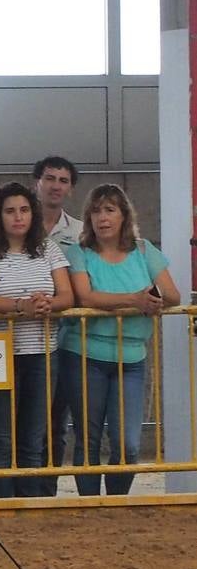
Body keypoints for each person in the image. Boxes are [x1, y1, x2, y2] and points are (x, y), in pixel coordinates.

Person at [60, 184, 179, 495]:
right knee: (89, 437)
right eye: (96, 211)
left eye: (110, 210)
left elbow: (173, 294)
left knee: (128, 443)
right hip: (85, 354)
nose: (103, 218)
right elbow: (86, 296)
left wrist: (153, 300)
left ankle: (116, 501)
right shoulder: (79, 252)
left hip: (132, 357)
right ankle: (89, 504)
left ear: (125, 215)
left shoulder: (144, 250)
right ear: (88, 219)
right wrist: (134, 300)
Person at [0, 182, 74, 498]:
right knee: (1, 438)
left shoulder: (48, 249)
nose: (18, 217)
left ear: (33, 213)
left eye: (24, 210)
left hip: (41, 352)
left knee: (34, 437)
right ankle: (1, 505)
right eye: (10, 211)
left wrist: (47, 304)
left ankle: (31, 505)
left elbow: (66, 294)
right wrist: (19, 306)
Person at [32, 155, 82, 493]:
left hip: (66, 341)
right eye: (50, 178)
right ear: (37, 182)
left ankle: (47, 489)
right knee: (25, 420)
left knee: (55, 421)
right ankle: (23, 488)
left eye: (63, 180)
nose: (56, 185)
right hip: (25, 338)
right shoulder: (16, 222)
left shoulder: (80, 232)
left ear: (71, 189)